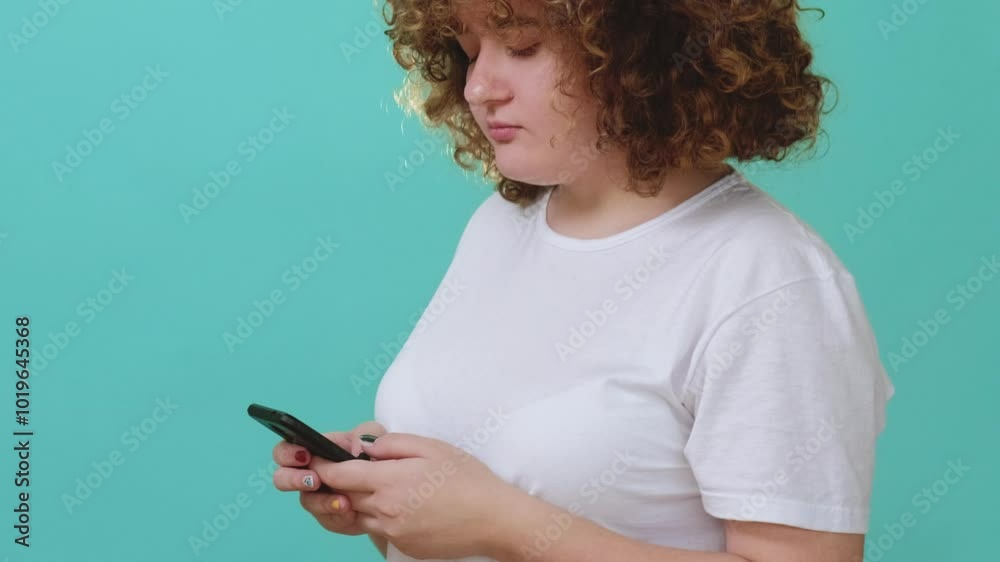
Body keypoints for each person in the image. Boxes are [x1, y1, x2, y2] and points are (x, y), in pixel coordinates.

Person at [271, 0, 896, 561]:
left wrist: (501, 524)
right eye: (469, 49)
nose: (479, 86)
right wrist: (381, 492)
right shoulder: (501, 223)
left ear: (642, 49)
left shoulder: (769, 279)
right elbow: (460, 511)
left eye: (522, 46)